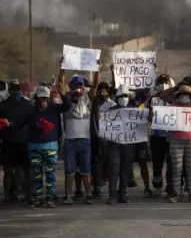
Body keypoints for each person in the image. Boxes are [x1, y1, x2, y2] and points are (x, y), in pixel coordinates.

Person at [59, 62, 101, 205]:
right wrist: (62, 68)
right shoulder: (67, 103)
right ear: (71, 87)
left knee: (85, 170)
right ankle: (68, 196)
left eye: (80, 86)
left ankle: (88, 194)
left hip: (85, 141)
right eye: (75, 86)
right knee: (69, 171)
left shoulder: (87, 101)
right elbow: (60, 85)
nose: (78, 88)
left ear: (83, 88)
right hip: (70, 141)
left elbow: (95, 86)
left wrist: (97, 70)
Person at [28, 85, 71, 207]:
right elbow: (21, 124)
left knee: (50, 175)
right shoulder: (31, 111)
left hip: (50, 148)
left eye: (46, 98)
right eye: (41, 98)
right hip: (34, 148)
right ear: (36, 98)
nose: (44, 101)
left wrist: (61, 93)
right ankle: (38, 198)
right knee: (36, 175)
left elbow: (67, 106)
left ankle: (51, 198)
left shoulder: (54, 108)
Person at [100, 84, 136, 205]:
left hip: (128, 145)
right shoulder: (110, 111)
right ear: (117, 97)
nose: (124, 98)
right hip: (114, 145)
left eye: (126, 96)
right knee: (114, 170)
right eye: (121, 96)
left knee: (125, 170)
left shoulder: (134, 111)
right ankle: (112, 196)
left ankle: (122, 195)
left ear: (129, 97)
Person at [0, 79, 34, 203]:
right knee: (8, 170)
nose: (15, 91)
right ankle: (7, 196)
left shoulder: (28, 105)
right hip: (8, 142)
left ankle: (29, 195)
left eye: (17, 89)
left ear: (20, 90)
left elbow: (33, 122)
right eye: (12, 89)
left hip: (24, 142)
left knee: (27, 169)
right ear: (9, 90)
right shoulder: (3, 105)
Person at [147, 74, 174, 197]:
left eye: (166, 81)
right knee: (157, 164)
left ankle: (170, 187)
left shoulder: (174, 99)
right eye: (161, 81)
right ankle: (157, 187)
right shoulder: (153, 99)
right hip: (157, 136)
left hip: (171, 136)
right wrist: (151, 113)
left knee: (172, 163)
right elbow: (148, 117)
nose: (164, 83)